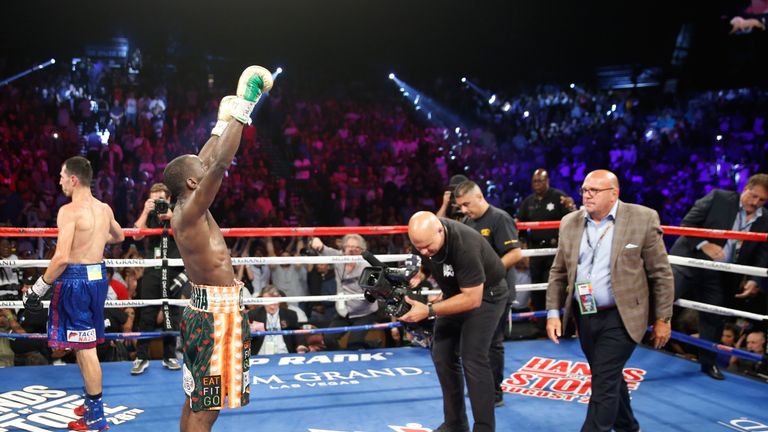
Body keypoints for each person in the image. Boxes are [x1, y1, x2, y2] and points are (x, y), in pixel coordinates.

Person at [163, 65, 272, 432]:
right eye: (200, 170)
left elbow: (208, 158)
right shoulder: (191, 211)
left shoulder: (187, 206)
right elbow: (221, 162)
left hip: (207, 310)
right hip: (216, 317)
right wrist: (245, 106)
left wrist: (221, 123)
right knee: (208, 406)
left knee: (198, 398)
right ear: (193, 181)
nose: (204, 164)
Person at [546, 169, 674, 432]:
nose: (587, 195)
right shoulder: (570, 221)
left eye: (594, 190)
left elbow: (661, 273)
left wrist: (663, 318)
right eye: (584, 189)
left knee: (603, 381)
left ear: (614, 193)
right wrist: (552, 313)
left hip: (623, 315)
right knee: (608, 375)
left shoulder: (642, 218)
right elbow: (558, 271)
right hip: (585, 312)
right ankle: (627, 426)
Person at [23, 155, 125, 431]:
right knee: (83, 344)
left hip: (77, 282)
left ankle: (96, 418)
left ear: (73, 179)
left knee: (86, 347)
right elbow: (119, 237)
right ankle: (91, 406)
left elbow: (62, 258)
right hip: (98, 278)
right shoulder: (104, 208)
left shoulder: (69, 211)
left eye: (61, 176)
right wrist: (95, 239)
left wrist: (37, 289)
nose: (58, 181)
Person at [400, 211, 509, 432]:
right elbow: (425, 259)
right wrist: (419, 275)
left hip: (487, 295)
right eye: (418, 247)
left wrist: (429, 310)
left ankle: (484, 428)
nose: (423, 251)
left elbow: (472, 298)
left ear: (440, 230)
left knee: (473, 358)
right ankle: (455, 424)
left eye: (428, 246)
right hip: (454, 293)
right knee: (441, 354)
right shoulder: (423, 238)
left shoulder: (464, 245)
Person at [669, 173, 768, 380]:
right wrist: (706, 244)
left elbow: (762, 252)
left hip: (718, 274)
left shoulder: (764, 218)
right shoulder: (718, 198)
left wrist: (753, 279)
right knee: (663, 300)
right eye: (753, 196)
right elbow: (687, 223)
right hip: (691, 261)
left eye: (762, 200)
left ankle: (708, 363)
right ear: (746, 188)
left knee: (714, 317)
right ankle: (633, 342)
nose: (755, 203)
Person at [452, 180, 522, 408]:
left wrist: (489, 274)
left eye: (466, 204)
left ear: (480, 196)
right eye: (460, 206)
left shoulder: (499, 218)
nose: (463, 210)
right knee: (476, 341)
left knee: (493, 342)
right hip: (476, 291)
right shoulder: (467, 221)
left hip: (498, 289)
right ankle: (481, 387)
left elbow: (514, 253)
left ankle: (494, 392)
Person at [130, 182, 183, 375]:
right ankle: (141, 357)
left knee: (172, 314)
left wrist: (172, 217)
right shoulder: (149, 215)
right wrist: (145, 211)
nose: (157, 203)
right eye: (154, 199)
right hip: (153, 268)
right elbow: (135, 236)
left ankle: (169, 356)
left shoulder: (180, 213)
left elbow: (190, 232)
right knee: (147, 314)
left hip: (174, 269)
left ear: (169, 199)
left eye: (161, 199)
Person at [516, 168, 575, 334]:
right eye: (534, 181)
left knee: (554, 286)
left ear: (547, 180)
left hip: (554, 250)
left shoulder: (558, 197)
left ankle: (561, 324)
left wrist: (571, 206)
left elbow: (571, 218)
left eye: (540, 181)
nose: (537, 184)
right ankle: (541, 325)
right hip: (536, 250)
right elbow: (520, 224)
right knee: (538, 289)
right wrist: (522, 244)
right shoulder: (529, 202)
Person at [310, 234, 380, 350]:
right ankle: (363, 347)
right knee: (328, 339)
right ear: (343, 248)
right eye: (349, 246)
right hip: (344, 311)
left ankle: (367, 345)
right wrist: (316, 242)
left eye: (356, 247)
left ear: (362, 250)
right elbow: (322, 249)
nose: (352, 249)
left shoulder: (366, 265)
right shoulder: (339, 257)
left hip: (364, 312)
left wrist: (371, 289)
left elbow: (374, 289)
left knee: (353, 343)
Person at [247, 286, 307, 354]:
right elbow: (244, 338)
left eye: (275, 302)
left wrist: (300, 346)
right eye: (269, 302)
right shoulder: (253, 315)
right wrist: (251, 331)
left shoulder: (290, 315)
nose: (272, 306)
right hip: (261, 354)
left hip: (284, 353)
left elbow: (297, 333)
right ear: (263, 301)